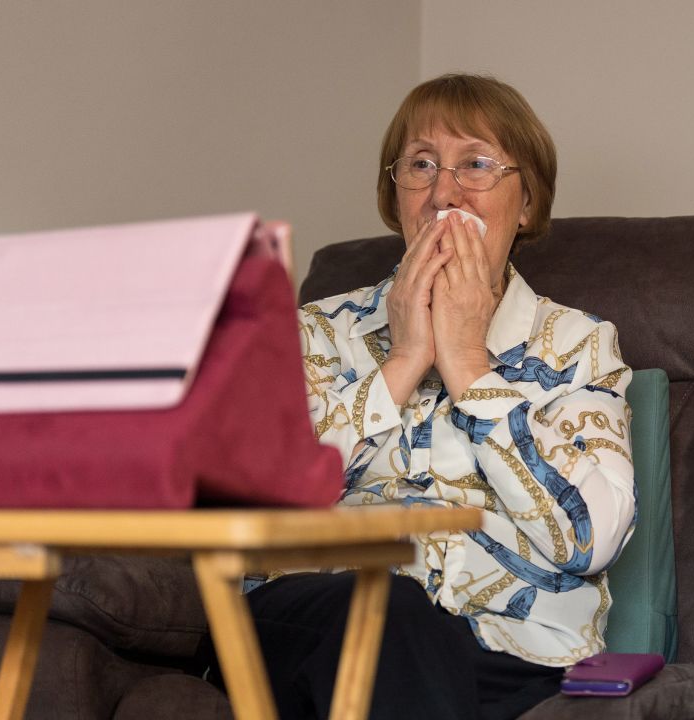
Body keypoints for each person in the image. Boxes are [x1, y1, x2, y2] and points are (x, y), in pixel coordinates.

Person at [252, 74, 635, 720]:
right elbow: (255, 506)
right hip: (318, 625)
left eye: (476, 165)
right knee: (388, 611)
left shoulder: (579, 347)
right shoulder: (316, 332)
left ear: (527, 204)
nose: (442, 194)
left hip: (507, 655)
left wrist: (468, 367)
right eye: (421, 165)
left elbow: (590, 538)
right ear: (393, 193)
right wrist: (402, 362)